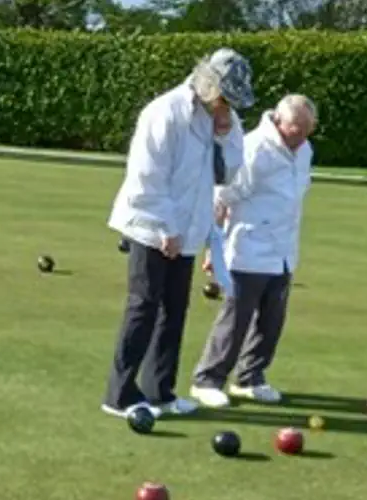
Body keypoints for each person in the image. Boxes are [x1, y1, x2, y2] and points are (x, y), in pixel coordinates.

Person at [102, 48, 254, 419]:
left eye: (231, 104)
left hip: (189, 227)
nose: (227, 109)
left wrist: (223, 136)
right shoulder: (165, 112)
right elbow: (145, 179)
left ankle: (160, 391)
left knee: (174, 310)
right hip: (150, 224)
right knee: (144, 305)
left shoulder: (222, 120)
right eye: (224, 101)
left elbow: (230, 171)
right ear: (207, 84)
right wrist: (166, 227)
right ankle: (119, 395)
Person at [189, 95, 316, 409]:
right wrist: (213, 247)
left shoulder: (304, 151)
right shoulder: (254, 148)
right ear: (278, 121)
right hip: (248, 247)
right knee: (236, 319)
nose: (301, 138)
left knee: (271, 322)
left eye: (307, 132)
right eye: (296, 130)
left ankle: (250, 377)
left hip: (284, 249)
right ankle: (207, 379)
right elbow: (222, 196)